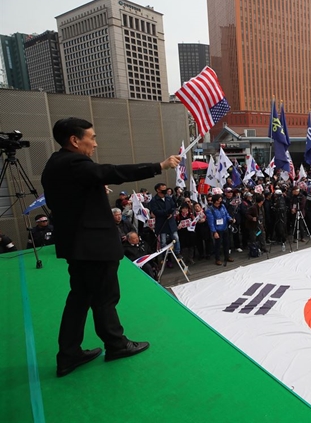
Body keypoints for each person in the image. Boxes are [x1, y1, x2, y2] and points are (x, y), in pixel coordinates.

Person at [41, 117, 180, 377]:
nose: (95, 143)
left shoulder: (54, 164)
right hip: (94, 246)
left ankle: (68, 354)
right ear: (74, 140)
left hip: (76, 245)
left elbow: (69, 197)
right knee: (105, 297)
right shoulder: (75, 163)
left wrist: (92, 188)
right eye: (91, 137)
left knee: (79, 299)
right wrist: (159, 166)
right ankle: (116, 344)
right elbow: (114, 171)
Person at [149, 183, 181, 264]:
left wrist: (172, 213)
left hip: (171, 222)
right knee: (163, 241)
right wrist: (166, 213)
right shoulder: (154, 200)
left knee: (176, 238)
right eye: (163, 189)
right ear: (158, 190)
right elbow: (155, 211)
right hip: (162, 223)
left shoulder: (169, 198)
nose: (165, 190)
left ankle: (177, 253)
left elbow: (173, 207)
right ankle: (164, 256)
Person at [205, 195, 235, 265]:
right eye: (219, 199)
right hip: (217, 229)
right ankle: (217, 259)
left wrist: (230, 219)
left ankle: (227, 256)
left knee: (226, 243)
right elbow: (211, 222)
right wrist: (214, 232)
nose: (221, 200)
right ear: (215, 201)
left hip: (225, 227)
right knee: (218, 245)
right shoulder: (210, 210)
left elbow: (226, 214)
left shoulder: (223, 206)